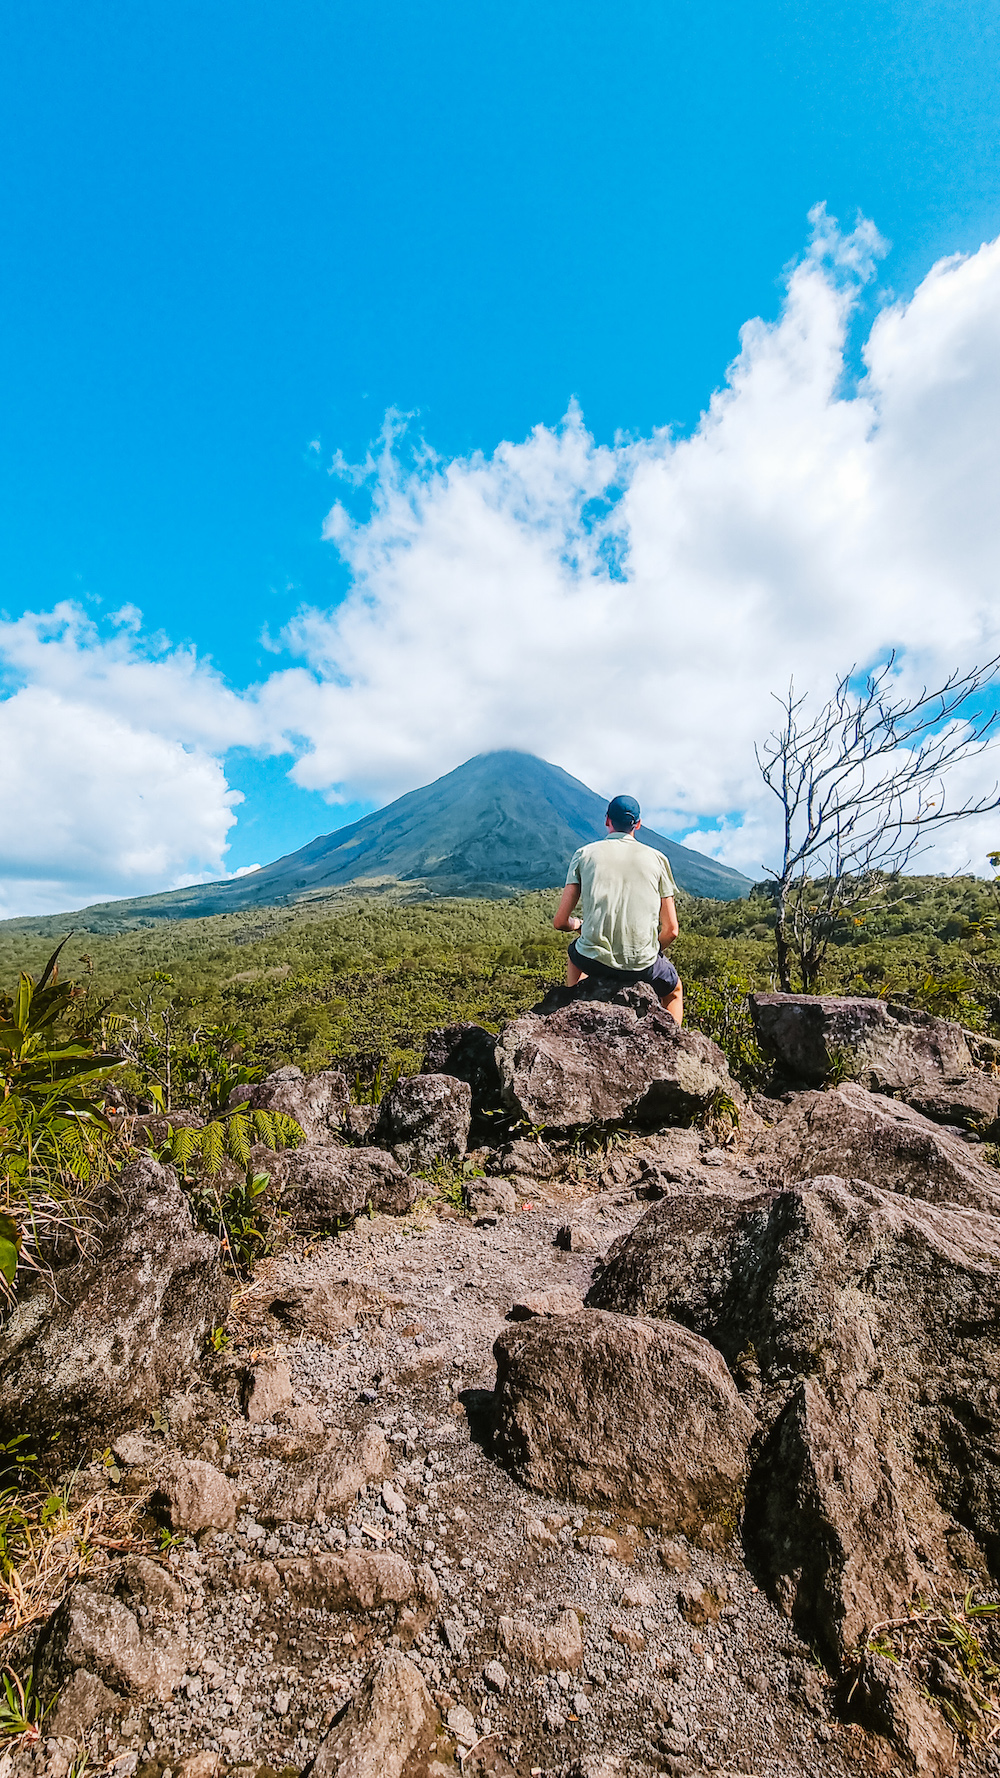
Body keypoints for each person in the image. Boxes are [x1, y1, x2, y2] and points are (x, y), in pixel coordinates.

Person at [552, 794, 684, 1024]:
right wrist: (647, 951)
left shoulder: (584, 854)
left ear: (607, 821)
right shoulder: (658, 859)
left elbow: (560, 922)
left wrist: (580, 926)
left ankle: (573, 1008)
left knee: (576, 953)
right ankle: (675, 1043)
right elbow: (671, 930)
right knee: (674, 991)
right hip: (643, 967)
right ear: (638, 824)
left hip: (594, 962)